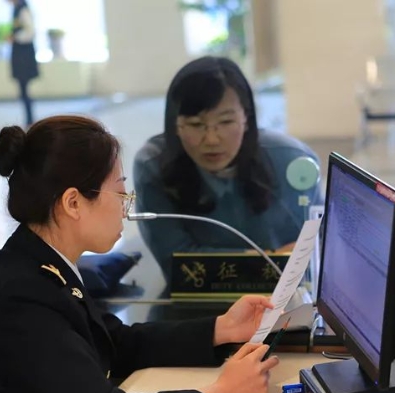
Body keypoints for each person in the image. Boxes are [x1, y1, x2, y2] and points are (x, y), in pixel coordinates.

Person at [0, 115, 279, 393]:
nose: (126, 207)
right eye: (120, 193)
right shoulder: (22, 294)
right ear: (73, 203)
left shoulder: (42, 262)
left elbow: (113, 343)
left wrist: (221, 329)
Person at [134, 57, 323, 281]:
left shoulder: (292, 161)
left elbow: (318, 249)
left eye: (226, 122)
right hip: (196, 298)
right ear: (174, 124)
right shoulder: (154, 167)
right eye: (196, 124)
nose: (212, 139)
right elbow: (178, 266)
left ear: (247, 118)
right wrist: (274, 258)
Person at [8, 0, 39, 126]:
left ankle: (30, 119)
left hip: (24, 56)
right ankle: (29, 118)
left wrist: (15, 37)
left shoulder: (23, 10)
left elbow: (30, 32)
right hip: (19, 54)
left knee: (25, 89)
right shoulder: (16, 9)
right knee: (23, 90)